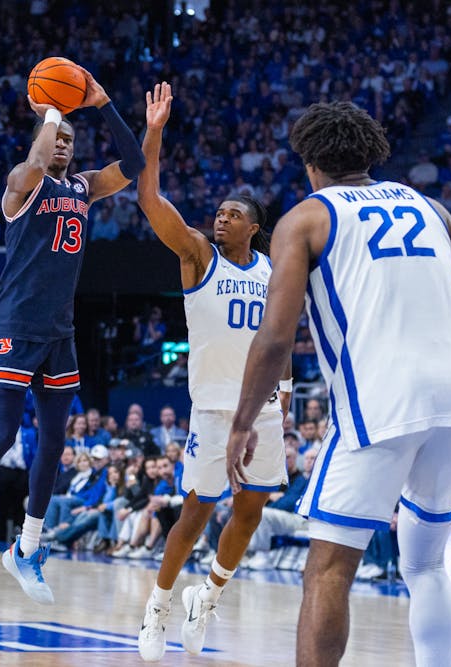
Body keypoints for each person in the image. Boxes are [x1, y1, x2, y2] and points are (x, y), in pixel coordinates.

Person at [225, 100, 451, 667]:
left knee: (328, 570)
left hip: (379, 402)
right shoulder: (428, 207)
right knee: (426, 565)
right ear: (371, 154)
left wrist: (243, 421)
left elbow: (274, 339)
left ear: (309, 163)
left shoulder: (306, 219)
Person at [0, 64, 145, 604]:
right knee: (4, 434)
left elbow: (134, 164)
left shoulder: (83, 186)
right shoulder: (21, 184)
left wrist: (103, 104)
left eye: (69, 140)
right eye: (56, 137)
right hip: (14, 324)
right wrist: (51, 113)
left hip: (59, 331)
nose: (62, 144)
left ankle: (27, 548)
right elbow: (33, 163)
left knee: (55, 441)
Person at [134, 83, 291, 661]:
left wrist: (287, 391)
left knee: (250, 511)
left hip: (264, 411)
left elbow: (281, 336)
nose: (221, 218)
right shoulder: (199, 254)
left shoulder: (274, 269)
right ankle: (157, 609)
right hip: (213, 408)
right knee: (195, 512)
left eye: (233, 215)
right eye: (219, 213)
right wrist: (154, 132)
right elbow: (149, 197)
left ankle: (209, 596)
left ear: (253, 227)